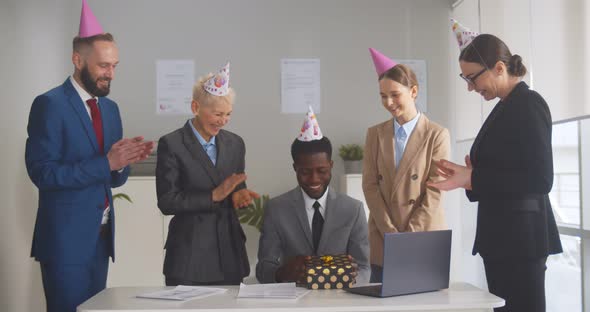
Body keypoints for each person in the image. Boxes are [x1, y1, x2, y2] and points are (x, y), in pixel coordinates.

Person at [24, 2, 154, 312]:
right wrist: (107, 162)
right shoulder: (50, 105)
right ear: (77, 59)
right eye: (103, 66)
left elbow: (113, 178)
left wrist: (124, 162)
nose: (110, 74)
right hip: (64, 243)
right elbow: (43, 173)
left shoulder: (110, 109)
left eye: (115, 65)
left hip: (100, 239)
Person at [429, 19, 563, 312]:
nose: (470, 88)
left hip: (521, 242)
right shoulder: (505, 106)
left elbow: (541, 180)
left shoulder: (528, 104)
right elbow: (504, 172)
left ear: (500, 68)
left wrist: (475, 177)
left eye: (472, 78)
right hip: (505, 240)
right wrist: (467, 179)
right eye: (465, 80)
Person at [156, 62, 259, 286]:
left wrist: (238, 196)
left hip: (229, 253)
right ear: (195, 107)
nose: (223, 121)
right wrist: (214, 195)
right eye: (217, 114)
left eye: (228, 114)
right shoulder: (172, 144)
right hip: (189, 255)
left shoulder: (235, 144)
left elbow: (234, 187)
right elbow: (166, 202)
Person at [363, 48, 450, 282]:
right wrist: (390, 233)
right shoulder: (375, 134)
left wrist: (408, 237)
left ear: (413, 91)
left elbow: (435, 190)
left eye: (395, 94)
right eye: (383, 96)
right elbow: (370, 187)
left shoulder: (437, 135)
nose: (388, 102)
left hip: (423, 238)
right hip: (383, 239)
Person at [256, 107, 370, 284]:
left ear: (331, 165)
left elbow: (363, 268)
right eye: (305, 172)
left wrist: (352, 278)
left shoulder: (353, 209)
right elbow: (264, 269)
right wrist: (284, 273)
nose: (314, 179)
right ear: (295, 168)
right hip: (294, 302)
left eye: (322, 170)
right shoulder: (277, 209)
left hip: (339, 300)